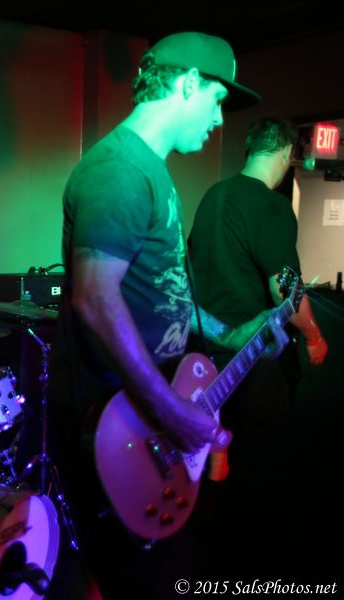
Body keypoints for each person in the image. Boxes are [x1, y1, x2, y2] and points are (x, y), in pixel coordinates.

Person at [47, 32, 287, 599]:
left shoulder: (151, 171)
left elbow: (164, 293)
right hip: (117, 425)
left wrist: (232, 332)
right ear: (187, 83)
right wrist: (171, 412)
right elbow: (94, 299)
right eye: (217, 100)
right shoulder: (120, 170)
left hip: (147, 421)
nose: (220, 120)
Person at [187, 116, 329, 577]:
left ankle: (203, 564)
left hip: (203, 359)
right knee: (255, 476)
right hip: (254, 363)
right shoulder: (272, 206)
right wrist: (315, 336)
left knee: (208, 472)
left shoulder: (212, 196)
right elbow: (285, 291)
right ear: (286, 152)